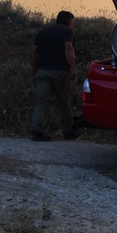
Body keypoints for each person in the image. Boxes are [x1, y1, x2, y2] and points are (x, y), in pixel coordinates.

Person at [30, 11, 79, 141]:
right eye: (72, 23)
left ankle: (36, 131)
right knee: (64, 102)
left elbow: (33, 52)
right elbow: (68, 48)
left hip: (42, 71)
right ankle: (68, 132)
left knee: (42, 102)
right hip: (60, 72)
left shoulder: (42, 32)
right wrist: (73, 68)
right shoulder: (67, 32)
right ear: (69, 22)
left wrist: (35, 70)